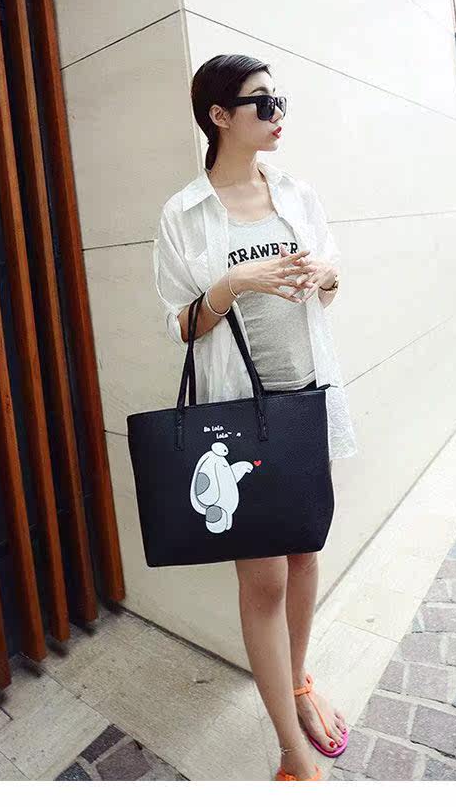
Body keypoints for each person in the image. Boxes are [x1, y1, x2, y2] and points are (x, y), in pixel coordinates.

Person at [153, 54, 358, 780]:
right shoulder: (184, 214)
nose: (277, 115)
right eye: (261, 103)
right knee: (263, 579)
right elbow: (181, 325)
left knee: (304, 554)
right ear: (219, 116)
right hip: (238, 416)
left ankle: (299, 683)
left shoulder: (296, 194)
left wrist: (327, 275)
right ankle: (289, 747)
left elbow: (326, 287)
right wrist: (233, 282)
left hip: (306, 399)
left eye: (280, 101)